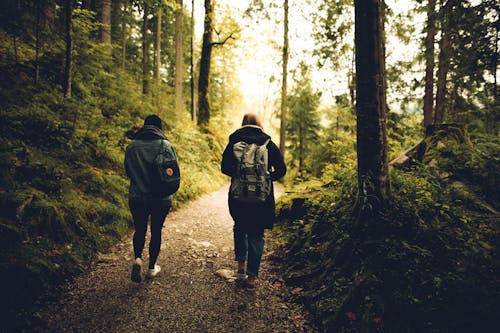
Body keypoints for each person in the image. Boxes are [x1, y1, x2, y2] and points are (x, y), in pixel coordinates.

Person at [221, 113, 286, 289]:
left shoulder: (234, 143)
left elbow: (224, 168)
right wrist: (266, 178)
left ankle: (240, 267)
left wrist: (239, 174)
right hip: (261, 199)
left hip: (238, 197)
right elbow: (281, 169)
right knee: (257, 234)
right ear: (259, 124)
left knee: (240, 227)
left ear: (243, 124)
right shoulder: (268, 143)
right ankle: (252, 278)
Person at [124, 115, 178, 282]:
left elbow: (128, 172)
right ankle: (151, 268)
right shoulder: (165, 145)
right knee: (156, 231)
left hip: (137, 197)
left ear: (144, 126)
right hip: (160, 199)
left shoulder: (132, 147)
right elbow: (173, 172)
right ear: (159, 128)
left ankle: (138, 258)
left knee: (140, 229)